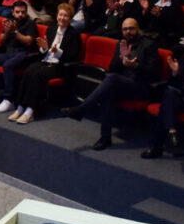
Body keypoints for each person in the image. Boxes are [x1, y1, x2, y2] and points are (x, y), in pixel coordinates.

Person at [63, 17, 160, 151]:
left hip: (140, 86)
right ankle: (105, 138)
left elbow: (153, 72)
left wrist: (135, 65)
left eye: (131, 28)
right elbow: (112, 67)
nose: (128, 32)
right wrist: (121, 60)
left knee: (112, 79)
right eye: (125, 29)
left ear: (138, 29)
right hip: (123, 84)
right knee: (108, 89)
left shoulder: (148, 44)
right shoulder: (121, 44)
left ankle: (81, 110)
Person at [9, 3, 81, 124]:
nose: (62, 18)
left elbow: (72, 56)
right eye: (60, 15)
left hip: (60, 65)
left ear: (70, 18)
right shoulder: (51, 29)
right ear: (57, 16)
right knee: (29, 71)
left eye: (66, 16)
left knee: (38, 75)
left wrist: (57, 51)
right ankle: (21, 106)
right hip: (46, 60)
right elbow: (44, 51)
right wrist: (44, 48)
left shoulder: (74, 34)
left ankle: (30, 111)